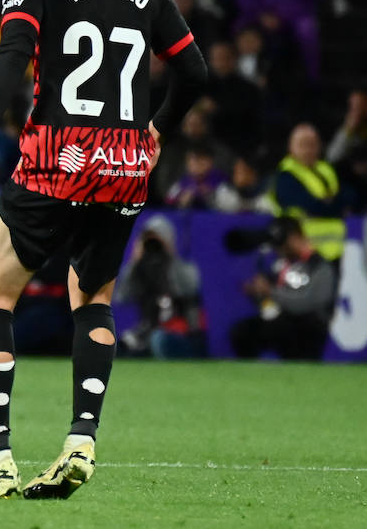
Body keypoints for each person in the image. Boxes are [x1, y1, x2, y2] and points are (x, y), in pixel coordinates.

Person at [0, 0, 207, 500]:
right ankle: (81, 438)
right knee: (91, 299)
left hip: (59, 155)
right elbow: (195, 71)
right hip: (125, 162)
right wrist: (155, 126)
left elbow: (12, 54)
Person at [230, 216, 335, 360]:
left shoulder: (320, 267)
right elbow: (268, 299)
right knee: (242, 332)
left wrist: (270, 291)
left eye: (281, 244)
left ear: (294, 238)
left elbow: (308, 303)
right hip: (282, 320)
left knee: (290, 329)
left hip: (310, 325)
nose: (277, 249)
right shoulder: (282, 264)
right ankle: (248, 376)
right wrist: (257, 291)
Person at [115, 216, 205, 358]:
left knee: (159, 339)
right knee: (117, 346)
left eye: (156, 240)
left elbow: (189, 289)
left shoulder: (184, 268)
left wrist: (169, 256)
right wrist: (135, 260)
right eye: (148, 240)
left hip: (184, 336)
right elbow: (121, 297)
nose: (153, 246)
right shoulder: (139, 270)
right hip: (148, 333)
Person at [272, 122, 346, 261]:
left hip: (338, 249)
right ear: (291, 147)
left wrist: (328, 204)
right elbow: (308, 204)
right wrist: (327, 204)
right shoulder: (287, 175)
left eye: (312, 144)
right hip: (304, 250)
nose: (308, 149)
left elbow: (344, 200)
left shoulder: (326, 169)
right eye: (302, 144)